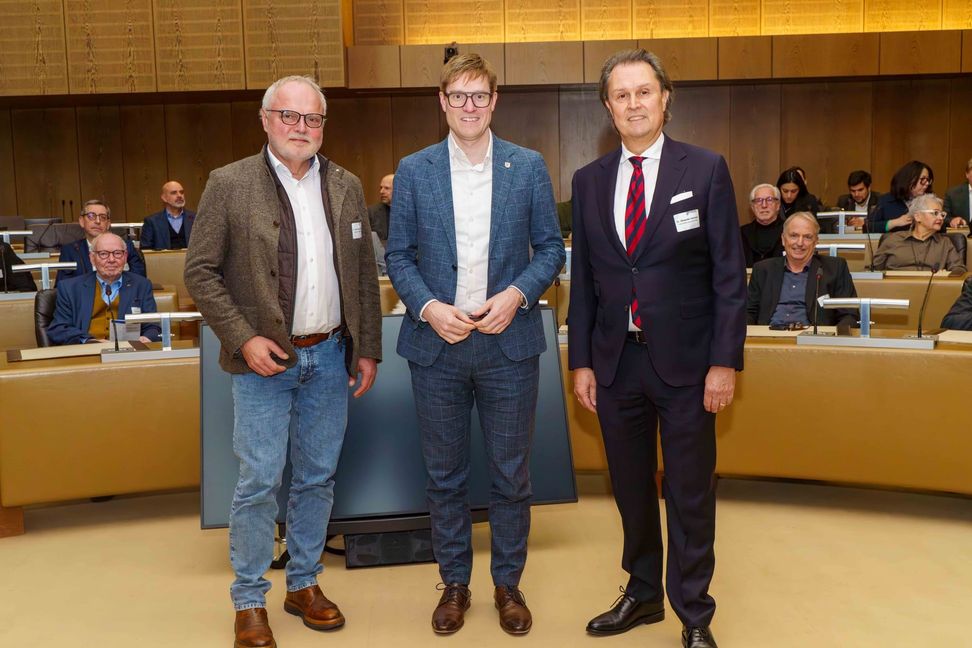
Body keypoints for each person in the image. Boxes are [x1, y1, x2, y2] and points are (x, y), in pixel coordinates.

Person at [184, 75, 382, 648]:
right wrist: (244, 337)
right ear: (266, 120)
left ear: (323, 125)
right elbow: (200, 272)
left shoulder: (345, 184)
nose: (302, 128)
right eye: (290, 117)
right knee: (258, 483)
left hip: (329, 356)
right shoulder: (229, 183)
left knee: (318, 478)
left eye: (312, 119)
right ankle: (249, 599)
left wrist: (366, 346)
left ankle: (303, 583)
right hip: (264, 362)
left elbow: (364, 277)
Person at [568, 49, 746, 648]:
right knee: (631, 487)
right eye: (622, 95)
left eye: (644, 91)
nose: (634, 103)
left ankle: (694, 612)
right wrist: (583, 362)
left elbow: (728, 275)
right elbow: (587, 281)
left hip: (690, 367)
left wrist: (725, 362)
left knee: (690, 491)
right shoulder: (588, 182)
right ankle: (643, 593)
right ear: (608, 107)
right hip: (617, 365)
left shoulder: (705, 170)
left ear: (665, 99)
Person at [385, 53, 564, 637]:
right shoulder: (413, 169)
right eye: (457, 96)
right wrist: (430, 308)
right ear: (442, 101)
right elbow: (399, 256)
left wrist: (516, 295)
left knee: (512, 475)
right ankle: (454, 583)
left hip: (507, 345)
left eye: (479, 96)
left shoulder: (528, 166)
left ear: (494, 101)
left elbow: (549, 250)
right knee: (445, 477)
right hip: (436, 347)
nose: (468, 106)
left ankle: (508, 583)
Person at [747, 213, 858, 327]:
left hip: (811, 340)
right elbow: (748, 313)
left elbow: (849, 314)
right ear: (783, 239)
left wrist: (833, 339)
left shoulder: (835, 268)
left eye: (807, 237)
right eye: (794, 235)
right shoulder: (762, 270)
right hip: (768, 337)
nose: (800, 243)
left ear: (816, 242)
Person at [47, 233, 160, 345]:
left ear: (125, 257)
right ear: (92, 258)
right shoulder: (70, 288)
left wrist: (146, 338)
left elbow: (153, 326)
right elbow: (59, 329)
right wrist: (89, 341)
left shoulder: (141, 285)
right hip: (87, 353)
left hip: (128, 353)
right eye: (103, 254)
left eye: (117, 253)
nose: (111, 259)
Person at [871, 193, 966, 273]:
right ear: (917, 217)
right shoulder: (893, 240)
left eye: (942, 214)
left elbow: (959, 269)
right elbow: (873, 270)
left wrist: (949, 274)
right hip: (895, 290)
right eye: (935, 213)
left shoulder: (945, 243)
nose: (940, 218)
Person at [57, 200, 146, 283]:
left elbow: (140, 280)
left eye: (103, 217)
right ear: (81, 221)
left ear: (108, 224)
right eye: (91, 216)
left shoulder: (126, 246)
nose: (98, 221)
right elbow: (63, 285)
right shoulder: (70, 250)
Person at [869, 160, 934, 234]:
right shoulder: (886, 200)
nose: (927, 184)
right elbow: (868, 227)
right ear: (909, 179)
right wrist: (894, 223)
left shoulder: (930, 201)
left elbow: (943, 227)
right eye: (923, 179)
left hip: (924, 243)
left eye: (928, 180)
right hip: (895, 243)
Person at [140, 181, 196, 250]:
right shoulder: (152, 222)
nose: (179, 195)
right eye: (174, 193)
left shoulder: (196, 218)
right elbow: (145, 250)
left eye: (181, 192)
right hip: (162, 260)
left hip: (190, 260)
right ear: (164, 198)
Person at [740, 183, 784, 267]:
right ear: (752, 207)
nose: (764, 205)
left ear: (778, 205)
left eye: (769, 200)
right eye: (758, 200)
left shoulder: (789, 231)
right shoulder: (741, 233)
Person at [942, 157, 971, 228]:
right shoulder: (952, 194)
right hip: (961, 236)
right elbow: (944, 217)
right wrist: (952, 220)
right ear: (967, 174)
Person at [367, 173, 394, 244]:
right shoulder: (371, 212)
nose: (381, 191)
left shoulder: (409, 212)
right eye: (381, 188)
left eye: (387, 188)